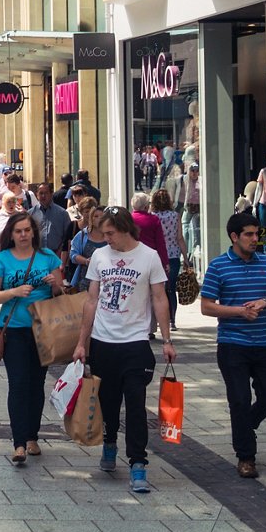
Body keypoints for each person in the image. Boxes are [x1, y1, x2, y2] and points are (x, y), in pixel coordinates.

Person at [71, 207, 175, 494]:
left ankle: (138, 463)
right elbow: (91, 301)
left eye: (110, 233)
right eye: (103, 234)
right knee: (108, 401)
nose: (105, 239)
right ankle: (109, 441)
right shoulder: (101, 257)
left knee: (136, 403)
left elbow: (159, 298)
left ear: (125, 228)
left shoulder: (149, 256)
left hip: (136, 342)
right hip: (104, 342)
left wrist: (166, 340)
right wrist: (82, 342)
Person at [200, 212, 266, 479]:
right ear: (234, 237)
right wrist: (239, 312)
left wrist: (264, 303)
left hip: (264, 343)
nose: (254, 239)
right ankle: (246, 457)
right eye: (248, 234)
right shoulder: (218, 266)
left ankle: (244, 427)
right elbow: (206, 307)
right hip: (232, 344)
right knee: (239, 399)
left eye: (256, 234)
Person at [0, 212, 65, 465]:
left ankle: (32, 436)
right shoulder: (3, 259)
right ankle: (19, 443)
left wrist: (54, 285)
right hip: (14, 330)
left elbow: (61, 294)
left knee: (36, 384)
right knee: (18, 384)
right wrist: (14, 292)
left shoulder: (47, 257)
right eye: (18, 231)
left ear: (34, 232)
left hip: (44, 329)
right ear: (11, 234)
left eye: (26, 230)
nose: (22, 235)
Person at [152, 190, 187, 331]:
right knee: (171, 289)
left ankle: (161, 319)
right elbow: (180, 238)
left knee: (158, 289)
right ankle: (172, 320)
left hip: (158, 256)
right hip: (173, 255)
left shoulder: (153, 217)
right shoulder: (175, 216)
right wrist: (185, 256)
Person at [31, 182, 73, 269]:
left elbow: (67, 237)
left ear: (51, 194)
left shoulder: (62, 213)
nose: (43, 196)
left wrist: (61, 253)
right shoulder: (30, 214)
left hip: (56, 256)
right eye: (40, 193)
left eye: (45, 193)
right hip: (37, 256)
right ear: (37, 195)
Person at [67, 199, 104, 290]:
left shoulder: (110, 236)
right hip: (84, 282)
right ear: (91, 218)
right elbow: (73, 255)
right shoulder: (83, 235)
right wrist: (86, 261)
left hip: (105, 282)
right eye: (96, 216)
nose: (99, 219)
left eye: (102, 216)